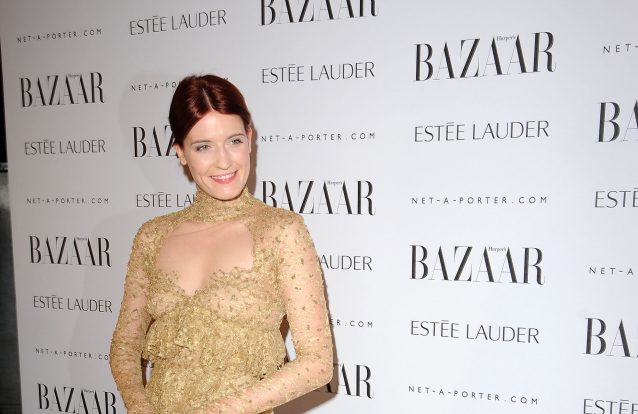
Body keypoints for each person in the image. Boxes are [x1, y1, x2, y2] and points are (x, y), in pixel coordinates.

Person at [109, 74, 333, 414]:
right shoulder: (153, 236)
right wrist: (141, 409)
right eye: (203, 147)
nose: (224, 161)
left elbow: (317, 363)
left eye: (234, 141)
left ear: (250, 139)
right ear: (181, 153)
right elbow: (125, 346)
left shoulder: (281, 231)